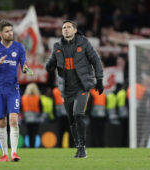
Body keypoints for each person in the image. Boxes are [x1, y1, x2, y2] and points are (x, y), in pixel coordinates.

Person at [46, 20, 104, 158]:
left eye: (68, 27)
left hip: (82, 85)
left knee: (78, 113)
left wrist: (99, 79)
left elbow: (96, 60)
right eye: (63, 28)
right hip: (66, 89)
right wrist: (49, 65)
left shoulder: (83, 43)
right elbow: (50, 64)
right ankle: (79, 147)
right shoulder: (57, 46)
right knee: (71, 120)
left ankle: (83, 148)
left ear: (75, 30)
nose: (65, 29)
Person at [0, 20, 29, 162]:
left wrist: (25, 68)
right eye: (7, 31)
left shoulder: (18, 47)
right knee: (1, 122)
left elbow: (24, 63)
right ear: (0, 34)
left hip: (13, 89)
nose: (10, 33)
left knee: (13, 120)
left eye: (11, 30)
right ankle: (4, 154)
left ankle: (14, 153)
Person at [21, 83, 42, 148]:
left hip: (27, 117)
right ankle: (33, 145)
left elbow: (21, 108)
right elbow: (41, 108)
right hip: (36, 118)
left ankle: (29, 145)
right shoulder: (38, 97)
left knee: (29, 133)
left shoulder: (24, 97)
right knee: (34, 133)